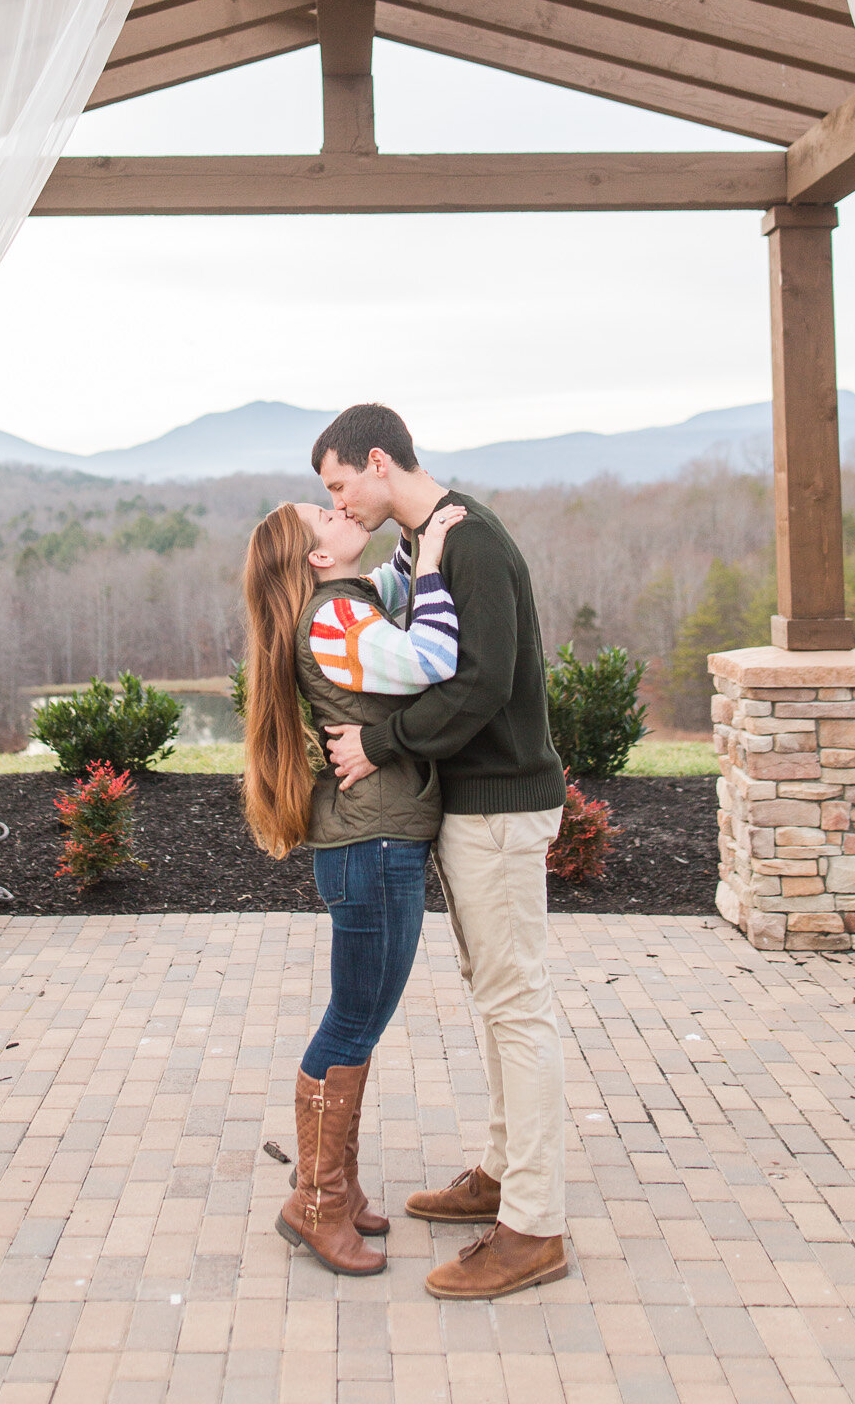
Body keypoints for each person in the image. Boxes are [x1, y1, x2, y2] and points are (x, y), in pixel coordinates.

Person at [315, 402, 569, 1302]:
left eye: (341, 486)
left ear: (377, 461)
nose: (340, 506)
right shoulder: (427, 545)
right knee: (496, 999)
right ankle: (502, 1174)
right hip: (474, 809)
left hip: (502, 806)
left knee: (516, 1004)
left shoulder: (471, 540)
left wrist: (381, 746)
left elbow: (481, 683)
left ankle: (532, 1226)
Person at [241, 495, 466, 1276]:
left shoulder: (343, 602)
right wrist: (431, 557)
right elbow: (433, 658)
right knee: (352, 1024)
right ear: (315, 555)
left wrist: (413, 534)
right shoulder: (332, 618)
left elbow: (389, 592)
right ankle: (316, 1202)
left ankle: (337, 1186)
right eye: (324, 515)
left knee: (358, 1023)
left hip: (376, 839)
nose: (340, 511)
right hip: (370, 845)